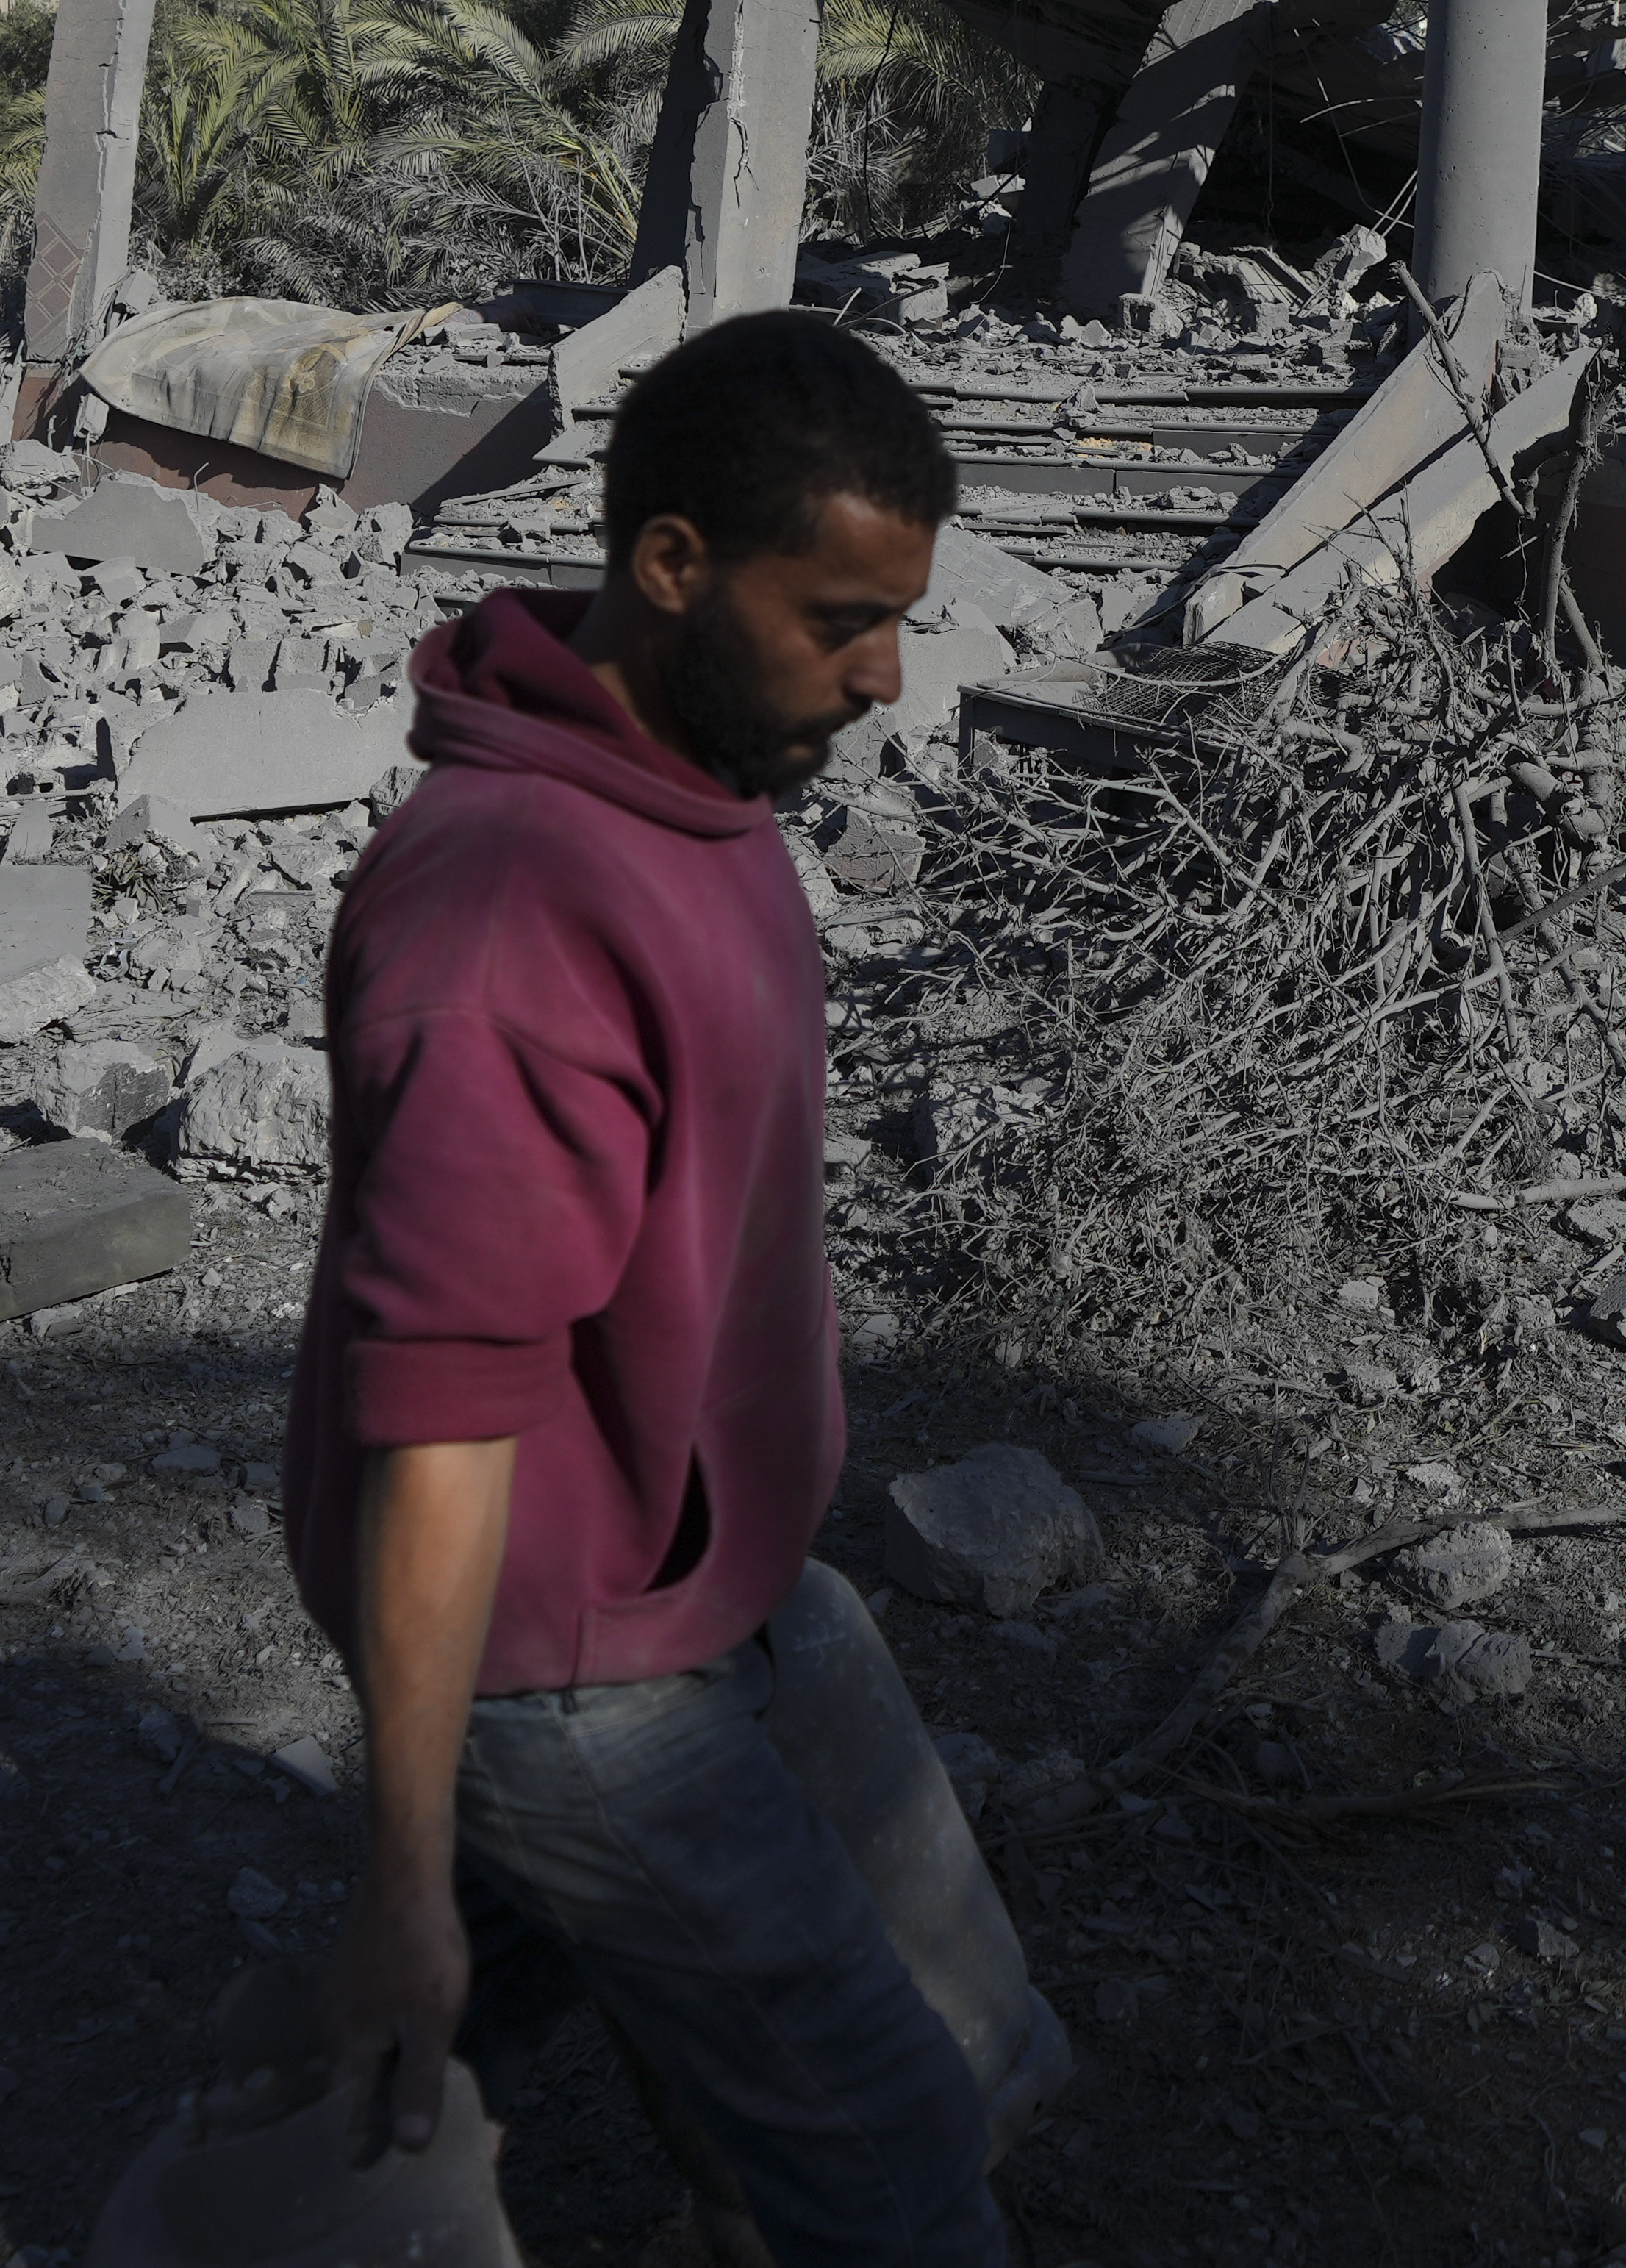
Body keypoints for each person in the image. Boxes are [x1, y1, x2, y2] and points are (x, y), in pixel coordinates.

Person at [276, 310, 1011, 2267]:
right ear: (670, 564)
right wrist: (402, 1868)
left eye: (897, 615)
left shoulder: (698, 783)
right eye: (838, 614)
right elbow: (438, 1413)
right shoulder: (507, 907)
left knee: (933, 2034)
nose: (883, 674)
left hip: (709, 1590)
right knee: (898, 2148)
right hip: (570, 1669)